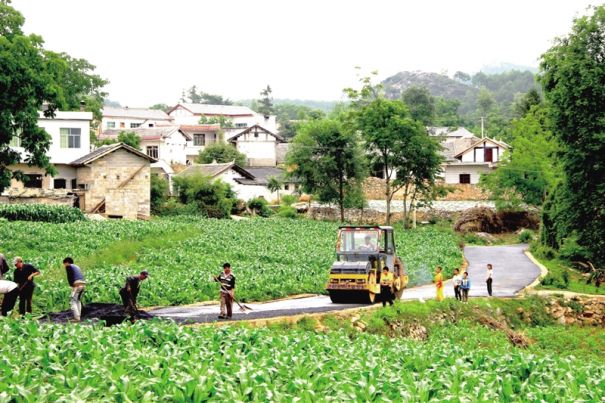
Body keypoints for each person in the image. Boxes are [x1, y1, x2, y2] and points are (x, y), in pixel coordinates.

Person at [63, 257, 86, 322]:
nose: (64, 265)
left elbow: (70, 277)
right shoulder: (77, 267)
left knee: (72, 301)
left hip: (77, 284)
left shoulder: (68, 266)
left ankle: (76, 318)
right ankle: (79, 316)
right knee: (78, 300)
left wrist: (73, 287)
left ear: (67, 262)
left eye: (64, 264)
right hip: (83, 284)